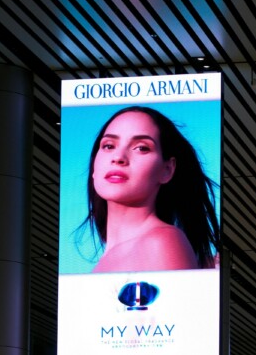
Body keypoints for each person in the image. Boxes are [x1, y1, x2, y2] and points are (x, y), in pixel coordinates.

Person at [79, 106, 219, 273]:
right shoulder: (106, 260)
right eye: (109, 146)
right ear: (94, 166)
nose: (118, 157)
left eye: (141, 148)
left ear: (167, 170)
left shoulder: (161, 241)